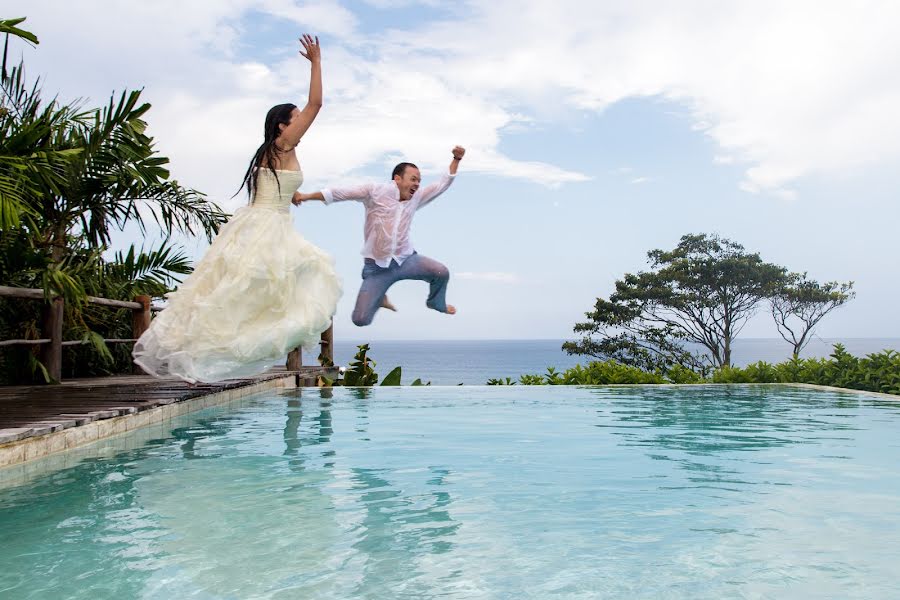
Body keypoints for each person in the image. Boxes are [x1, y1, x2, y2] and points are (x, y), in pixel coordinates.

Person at [133, 34, 342, 383]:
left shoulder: (277, 151)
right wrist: (317, 63)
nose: (300, 123)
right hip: (266, 227)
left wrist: (299, 196)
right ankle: (203, 356)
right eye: (295, 119)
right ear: (282, 126)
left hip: (264, 222)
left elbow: (281, 188)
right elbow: (316, 104)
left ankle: (202, 357)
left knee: (242, 299)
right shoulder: (283, 143)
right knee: (254, 296)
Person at [294, 146, 465, 326]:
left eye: (419, 181)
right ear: (397, 179)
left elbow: (442, 184)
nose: (417, 184)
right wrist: (305, 196)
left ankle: (435, 302)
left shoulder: (416, 197)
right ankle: (379, 299)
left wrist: (456, 159)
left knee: (441, 272)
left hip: (406, 260)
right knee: (360, 320)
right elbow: (338, 193)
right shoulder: (374, 192)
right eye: (413, 179)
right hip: (377, 269)